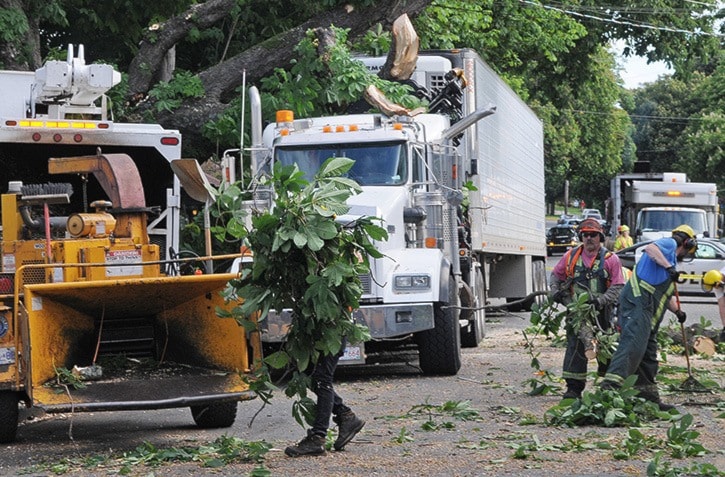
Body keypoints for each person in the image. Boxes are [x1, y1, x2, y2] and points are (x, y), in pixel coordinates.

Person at [599, 224, 698, 411]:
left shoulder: (669, 261)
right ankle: (609, 390)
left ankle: (648, 398)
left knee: (648, 352)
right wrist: (669, 267)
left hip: (648, 310)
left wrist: (677, 312)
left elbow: (663, 295)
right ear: (687, 242)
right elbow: (650, 248)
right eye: (688, 250)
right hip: (638, 303)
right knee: (633, 345)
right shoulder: (669, 243)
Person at [549, 218, 626, 399]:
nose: (589, 238)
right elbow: (556, 276)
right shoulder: (570, 257)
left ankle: (608, 386)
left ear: (600, 237)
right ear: (581, 237)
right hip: (576, 312)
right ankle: (573, 389)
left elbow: (617, 286)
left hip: (602, 312)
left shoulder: (610, 259)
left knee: (606, 346)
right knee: (575, 347)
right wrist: (556, 293)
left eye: (593, 235)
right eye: (585, 235)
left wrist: (600, 301)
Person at [284, 341, 366, 457]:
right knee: (309, 373)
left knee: (322, 379)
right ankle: (345, 415)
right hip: (320, 337)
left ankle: (318, 437)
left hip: (332, 335)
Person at [701, 267, 725, 342]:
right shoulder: (715, 281)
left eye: (715, 286)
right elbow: (722, 306)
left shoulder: (718, 282)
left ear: (719, 283)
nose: (715, 288)